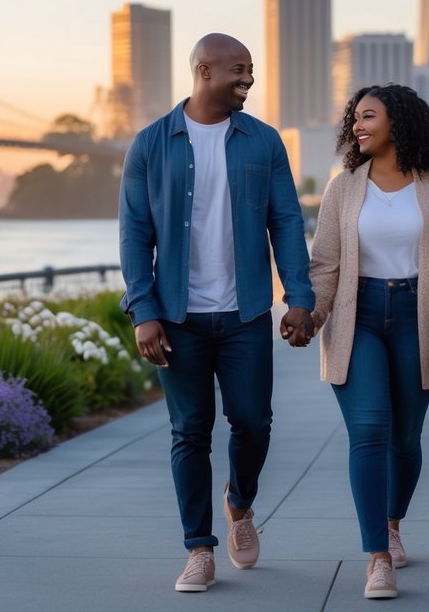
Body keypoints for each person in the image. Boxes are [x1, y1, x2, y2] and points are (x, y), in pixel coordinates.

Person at [118, 32, 315, 593]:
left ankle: (240, 502)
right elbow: (135, 234)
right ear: (204, 71)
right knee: (190, 433)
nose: (248, 81)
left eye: (251, 71)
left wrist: (299, 297)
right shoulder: (151, 144)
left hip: (245, 312)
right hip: (177, 317)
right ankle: (198, 550)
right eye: (239, 71)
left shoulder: (264, 142)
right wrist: (143, 311)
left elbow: (287, 223)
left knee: (254, 423)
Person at [306, 84, 429, 600]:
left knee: (405, 440)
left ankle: (393, 522)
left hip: (414, 316)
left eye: (368, 116)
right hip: (359, 320)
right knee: (371, 429)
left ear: (398, 121)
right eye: (354, 118)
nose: (357, 125)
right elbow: (326, 265)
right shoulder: (343, 188)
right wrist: (309, 315)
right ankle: (378, 557)